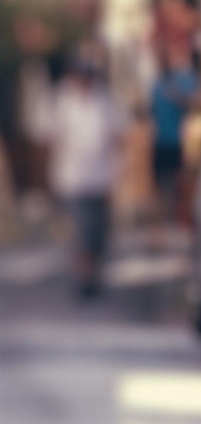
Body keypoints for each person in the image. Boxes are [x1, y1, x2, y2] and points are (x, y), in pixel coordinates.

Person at [44, 52, 126, 297]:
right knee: (81, 231)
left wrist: (120, 168)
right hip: (72, 179)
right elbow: (52, 138)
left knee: (98, 232)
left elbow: (118, 135)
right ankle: (84, 278)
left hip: (101, 178)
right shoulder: (63, 102)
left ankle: (94, 273)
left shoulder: (106, 101)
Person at [149, 47, 200, 226]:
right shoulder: (156, 86)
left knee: (183, 183)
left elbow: (194, 104)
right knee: (160, 189)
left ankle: (183, 220)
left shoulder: (184, 82)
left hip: (180, 142)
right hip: (161, 141)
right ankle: (159, 227)